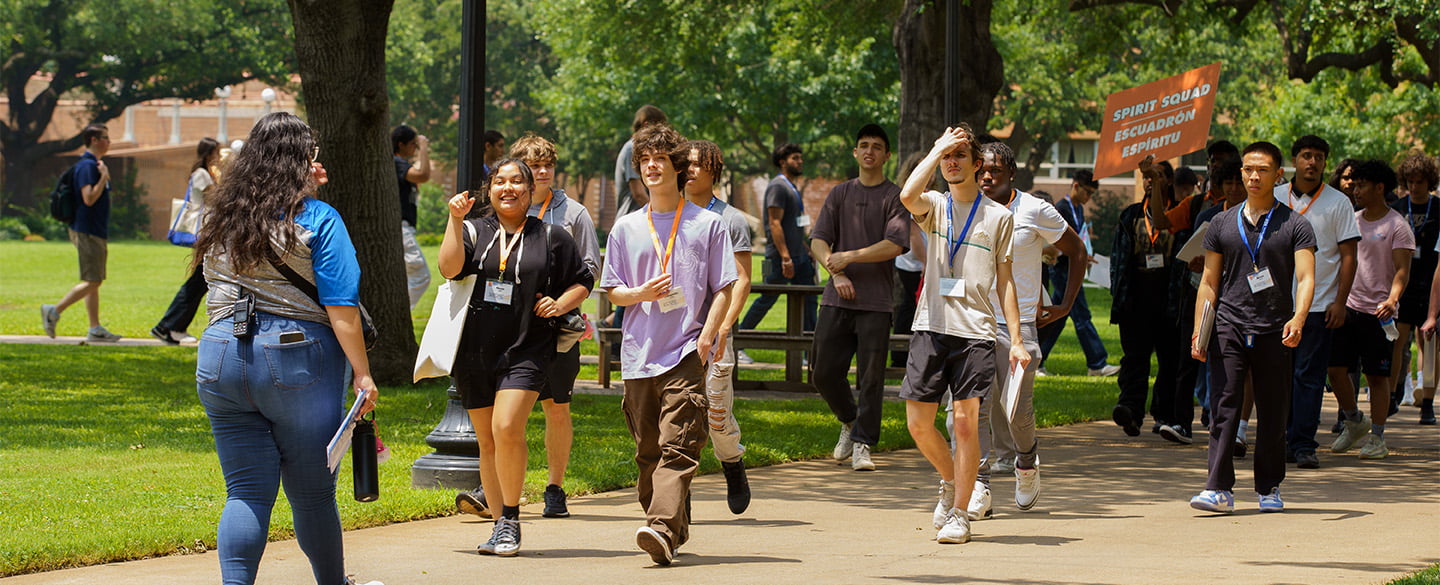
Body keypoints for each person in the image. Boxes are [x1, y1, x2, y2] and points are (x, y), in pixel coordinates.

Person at [190, 112, 381, 584]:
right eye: (313, 157)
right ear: (301, 161)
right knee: (313, 493)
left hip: (218, 355)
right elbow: (342, 307)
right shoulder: (318, 219)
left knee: (246, 493)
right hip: (297, 359)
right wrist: (363, 373)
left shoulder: (219, 216)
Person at [439, 158, 593, 556]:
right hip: (474, 349)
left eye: (517, 182)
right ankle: (497, 526)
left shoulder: (552, 236)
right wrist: (455, 220)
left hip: (528, 346)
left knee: (507, 427)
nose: (508, 188)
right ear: (489, 190)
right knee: (488, 441)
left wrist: (560, 305)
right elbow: (449, 268)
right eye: (500, 182)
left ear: (530, 190)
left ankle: (510, 518)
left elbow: (583, 281)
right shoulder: (475, 230)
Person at [599, 124, 735, 566]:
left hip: (684, 352)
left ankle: (659, 528)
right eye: (645, 160)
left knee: (679, 446)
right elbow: (613, 291)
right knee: (648, 454)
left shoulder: (709, 224)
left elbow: (724, 287)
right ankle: (672, 527)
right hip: (638, 354)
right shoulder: (625, 228)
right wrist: (640, 294)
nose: (652, 166)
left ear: (678, 168)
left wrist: (707, 336)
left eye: (660, 158)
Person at [898, 125, 1026, 545]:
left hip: (975, 333)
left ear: (976, 165)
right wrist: (935, 149)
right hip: (930, 326)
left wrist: (1018, 339)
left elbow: (1005, 281)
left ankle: (959, 513)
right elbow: (906, 196)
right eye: (947, 157)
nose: (951, 163)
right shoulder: (934, 205)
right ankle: (954, 481)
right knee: (918, 424)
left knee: (966, 425)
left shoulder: (999, 216)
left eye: (959, 156)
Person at [1188, 141, 1316, 514]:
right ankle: (1218, 488)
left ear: (1279, 175)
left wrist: (1299, 317)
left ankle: (1268, 487)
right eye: (1247, 170)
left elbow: (1306, 278)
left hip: (1275, 326)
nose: (1254, 176)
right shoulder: (1222, 224)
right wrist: (1201, 328)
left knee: (1273, 410)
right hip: (1228, 322)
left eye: (1262, 170)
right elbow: (1210, 282)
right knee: (1224, 405)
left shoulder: (1295, 224)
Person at [968, 141, 1084, 518]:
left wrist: (1065, 305)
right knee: (974, 408)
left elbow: (1076, 251)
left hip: (1018, 327)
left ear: (1011, 174)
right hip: (973, 323)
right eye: (981, 170)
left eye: (995, 171)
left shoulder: (1033, 209)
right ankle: (978, 485)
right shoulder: (965, 207)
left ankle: (1026, 463)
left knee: (1016, 410)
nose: (986, 177)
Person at [808, 124, 909, 472]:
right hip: (837, 299)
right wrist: (836, 272)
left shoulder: (895, 197)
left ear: (886, 155)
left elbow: (894, 244)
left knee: (870, 378)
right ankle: (850, 422)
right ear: (855, 153)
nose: (869, 151)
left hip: (876, 302)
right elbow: (819, 240)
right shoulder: (839, 194)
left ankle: (863, 444)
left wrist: (849, 257)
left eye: (877, 147)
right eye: (863, 145)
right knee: (822, 371)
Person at [1265, 135, 1362, 469]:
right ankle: (1281, 440)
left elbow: (1349, 256)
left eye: (1319, 157)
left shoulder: (1338, 203)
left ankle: (1304, 443)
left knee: (1308, 377)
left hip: (1318, 306)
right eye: (1306, 155)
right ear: (1294, 160)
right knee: (1279, 376)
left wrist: (1341, 301)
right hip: (1275, 305)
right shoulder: (1273, 197)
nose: (1312, 162)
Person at [683, 138, 753, 513]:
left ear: (713, 170)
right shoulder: (668, 213)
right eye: (686, 163)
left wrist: (724, 328)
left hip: (717, 334)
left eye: (698, 164)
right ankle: (679, 494)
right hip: (676, 333)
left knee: (717, 417)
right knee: (678, 419)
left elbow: (742, 279)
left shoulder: (731, 219)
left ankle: (732, 463)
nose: (690, 169)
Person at [1328, 159, 1412, 461]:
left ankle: (1377, 437)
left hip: (1380, 313)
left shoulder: (1397, 225)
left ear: (1380, 188)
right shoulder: (1352, 219)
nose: (1356, 189)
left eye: (1362, 184)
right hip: (1347, 307)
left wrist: (1392, 299)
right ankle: (1354, 421)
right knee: (1336, 370)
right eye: (1355, 183)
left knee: (1377, 377)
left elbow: (1403, 270)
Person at [1109, 157, 1183, 437]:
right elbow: (1118, 258)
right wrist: (1119, 296)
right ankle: (1130, 410)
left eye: (1159, 175)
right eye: (1147, 176)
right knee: (1135, 357)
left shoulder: (1179, 213)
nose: (1152, 179)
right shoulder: (1131, 215)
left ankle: (1164, 414)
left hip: (1170, 298)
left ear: (1170, 181)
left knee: (1169, 359)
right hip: (1136, 298)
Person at [40, 123, 121, 342]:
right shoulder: (87, 167)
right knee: (93, 280)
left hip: (93, 229)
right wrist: (104, 176)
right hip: (87, 229)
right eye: (105, 137)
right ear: (94, 140)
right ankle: (54, 311)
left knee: (93, 279)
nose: (109, 142)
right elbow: (88, 198)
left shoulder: (94, 164)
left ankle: (94, 328)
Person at [1037, 170, 1121, 376]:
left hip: (1073, 267)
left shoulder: (1078, 210)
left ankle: (1038, 359)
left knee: (1057, 318)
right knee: (1082, 316)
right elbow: (1057, 240)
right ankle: (1097, 363)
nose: (1088, 197)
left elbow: (1079, 239)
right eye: (1087, 192)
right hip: (1061, 268)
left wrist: (1085, 255)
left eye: (1092, 193)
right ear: (1075, 186)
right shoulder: (1061, 208)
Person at [738, 143, 818, 339]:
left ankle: (809, 352)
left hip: (800, 256)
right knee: (767, 297)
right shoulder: (778, 187)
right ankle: (739, 340)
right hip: (779, 258)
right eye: (795, 158)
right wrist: (785, 257)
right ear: (782, 163)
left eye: (800, 158)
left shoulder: (793, 188)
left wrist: (806, 248)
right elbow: (774, 223)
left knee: (809, 301)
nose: (800, 162)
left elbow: (795, 225)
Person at [151, 137, 222, 345]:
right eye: (216, 152)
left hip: (207, 233)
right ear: (209, 153)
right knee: (197, 282)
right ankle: (169, 326)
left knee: (199, 283)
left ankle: (174, 327)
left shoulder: (206, 173)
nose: (219, 156)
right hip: (204, 233)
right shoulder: (201, 174)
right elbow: (217, 198)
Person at [1402, 152, 1440, 425]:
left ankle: (1428, 402)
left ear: (1430, 183)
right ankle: (1394, 394)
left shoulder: (1438, 208)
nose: (1414, 187)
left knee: (1430, 343)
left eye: (1420, 182)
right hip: (1401, 284)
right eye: (1410, 181)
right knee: (1398, 340)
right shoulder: (1395, 207)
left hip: (1433, 284)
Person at [392, 125, 433, 310]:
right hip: (401, 227)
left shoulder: (399, 163)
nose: (415, 148)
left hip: (403, 227)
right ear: (401, 144)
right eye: (413, 144)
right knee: (420, 274)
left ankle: (399, 313)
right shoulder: (397, 162)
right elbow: (423, 175)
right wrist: (424, 147)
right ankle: (400, 313)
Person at [613, 105, 668, 219]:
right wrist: (659, 216)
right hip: (632, 220)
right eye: (659, 128)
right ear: (646, 125)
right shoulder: (633, 148)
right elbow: (638, 193)